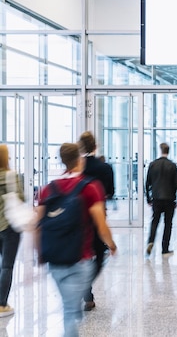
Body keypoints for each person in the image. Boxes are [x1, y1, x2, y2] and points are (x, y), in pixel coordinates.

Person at [37, 143, 117, 337]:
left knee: (70, 305)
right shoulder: (90, 187)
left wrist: (39, 253)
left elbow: (37, 225)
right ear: (80, 160)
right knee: (71, 311)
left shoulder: (48, 189)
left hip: (55, 259)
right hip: (80, 258)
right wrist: (112, 245)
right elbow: (100, 223)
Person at [77, 131, 115, 312]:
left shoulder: (78, 166)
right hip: (98, 214)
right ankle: (86, 286)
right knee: (99, 253)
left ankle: (86, 292)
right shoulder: (105, 168)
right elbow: (111, 192)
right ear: (95, 146)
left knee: (82, 253)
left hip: (78, 216)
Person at [0, 145, 24, 317]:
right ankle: (1, 304)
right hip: (9, 227)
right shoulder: (11, 175)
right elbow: (21, 198)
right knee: (6, 266)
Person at [145, 143, 177, 256]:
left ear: (160, 150)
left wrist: (148, 198)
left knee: (155, 221)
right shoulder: (172, 165)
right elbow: (176, 184)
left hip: (156, 198)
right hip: (169, 199)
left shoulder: (152, 165)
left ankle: (150, 241)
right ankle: (165, 248)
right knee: (168, 223)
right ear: (168, 151)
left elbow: (147, 183)